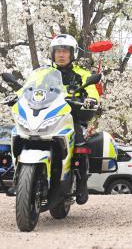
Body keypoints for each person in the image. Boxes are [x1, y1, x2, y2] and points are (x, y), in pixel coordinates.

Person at [49, 34, 100, 205]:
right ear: (52, 54)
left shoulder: (82, 74)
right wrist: (18, 94)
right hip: (47, 115)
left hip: (72, 117)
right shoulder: (45, 73)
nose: (61, 55)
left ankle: (81, 183)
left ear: (72, 54)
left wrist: (91, 99)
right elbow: (29, 88)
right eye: (57, 51)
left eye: (65, 51)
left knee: (79, 141)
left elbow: (92, 91)